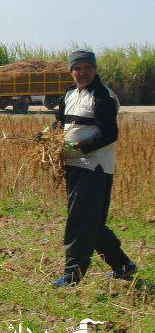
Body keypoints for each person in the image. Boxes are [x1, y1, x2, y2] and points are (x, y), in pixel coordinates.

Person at [51, 50, 136, 286]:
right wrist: (51, 137)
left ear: (95, 69)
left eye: (87, 68)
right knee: (92, 221)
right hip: (73, 165)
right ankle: (123, 265)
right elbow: (59, 121)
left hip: (94, 167)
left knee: (80, 219)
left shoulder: (103, 97)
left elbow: (110, 134)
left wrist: (78, 148)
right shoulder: (69, 93)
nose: (82, 73)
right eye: (77, 68)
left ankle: (72, 276)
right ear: (71, 71)